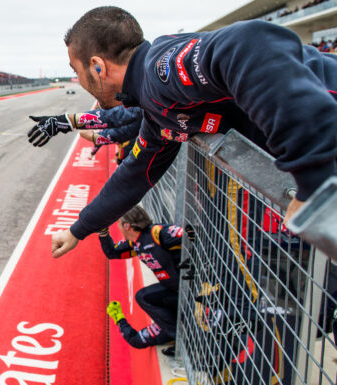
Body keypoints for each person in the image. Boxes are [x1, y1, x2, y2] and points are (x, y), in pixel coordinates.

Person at [34, 6, 337, 259]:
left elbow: (250, 42)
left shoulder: (159, 70)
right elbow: (134, 175)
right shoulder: (154, 108)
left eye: (76, 70)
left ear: (97, 67)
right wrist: (79, 229)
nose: (78, 79)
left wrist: (313, 179)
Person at [101, 206, 182, 353]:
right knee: (138, 340)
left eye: (119, 223)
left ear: (127, 226)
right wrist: (103, 232)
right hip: (173, 293)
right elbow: (112, 252)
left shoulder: (157, 233)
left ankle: (181, 340)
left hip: (190, 291)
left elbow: (194, 234)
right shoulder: (135, 243)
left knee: (142, 297)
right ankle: (173, 331)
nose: (118, 226)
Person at [28, 105, 142, 163]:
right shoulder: (134, 118)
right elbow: (113, 116)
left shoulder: (131, 120)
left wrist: (64, 122)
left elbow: (113, 116)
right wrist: (64, 122)